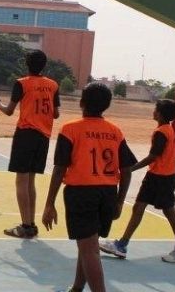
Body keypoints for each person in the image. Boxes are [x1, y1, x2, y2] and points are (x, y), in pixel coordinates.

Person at [42, 83, 136, 292]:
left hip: (82, 193)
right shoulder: (115, 131)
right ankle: (77, 287)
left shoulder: (70, 129)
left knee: (89, 249)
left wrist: (49, 204)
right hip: (108, 193)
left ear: (82, 102)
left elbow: (59, 169)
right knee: (88, 244)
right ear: (107, 105)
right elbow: (127, 170)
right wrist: (120, 201)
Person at [99, 99, 175, 265]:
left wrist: (130, 168)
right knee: (138, 207)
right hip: (159, 176)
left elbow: (152, 157)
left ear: (161, 114)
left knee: (169, 212)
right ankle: (122, 245)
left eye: (156, 109)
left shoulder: (161, 133)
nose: (153, 111)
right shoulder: (167, 129)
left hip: (162, 178)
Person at [0, 49, 60, 239]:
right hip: (43, 136)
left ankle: (25, 225)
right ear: (44, 65)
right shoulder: (53, 85)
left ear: (26, 64)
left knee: (21, 180)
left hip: (26, 134)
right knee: (30, 180)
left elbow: (9, 111)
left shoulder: (22, 83)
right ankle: (31, 225)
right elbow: (56, 114)